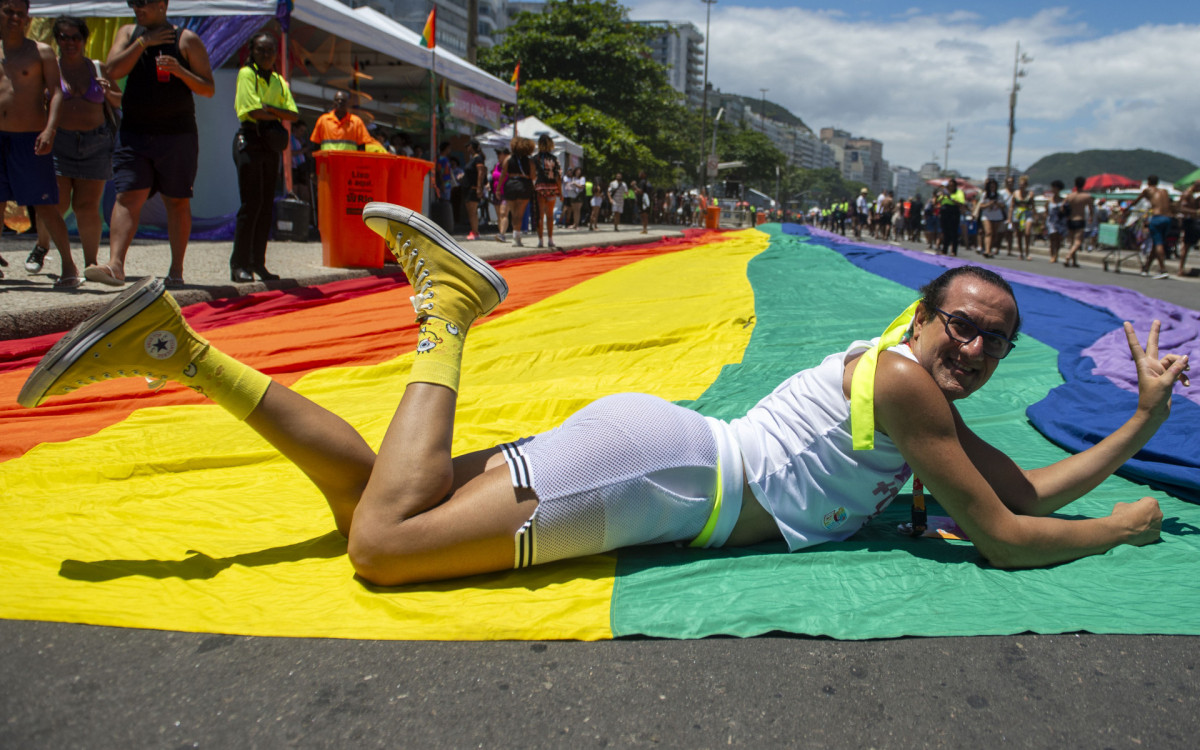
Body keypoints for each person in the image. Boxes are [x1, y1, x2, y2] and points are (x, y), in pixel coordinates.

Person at [19, 204, 1190, 587]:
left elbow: (1025, 485)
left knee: (378, 498)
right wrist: (1128, 522)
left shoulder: (908, 382)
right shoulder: (899, 382)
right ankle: (450, 315)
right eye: (966, 327)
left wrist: (1137, 427)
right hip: (662, 479)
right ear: (924, 318)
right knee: (382, 546)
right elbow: (1004, 538)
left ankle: (183, 352)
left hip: (659, 458)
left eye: (997, 342)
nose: (979, 352)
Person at [84, 0, 214, 288]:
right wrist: (143, 42)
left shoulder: (186, 39)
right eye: (133, 2)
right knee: (128, 196)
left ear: (163, 4)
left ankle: (176, 270)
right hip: (134, 132)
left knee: (177, 201)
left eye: (144, 3)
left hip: (176, 134)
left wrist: (180, 71)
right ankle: (116, 265)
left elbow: (208, 88)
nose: (138, 8)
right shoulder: (129, 33)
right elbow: (113, 70)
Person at [25, 15, 120, 289]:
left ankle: (91, 264)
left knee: (87, 207)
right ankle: (42, 246)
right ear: (56, 40)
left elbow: (120, 102)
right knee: (56, 204)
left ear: (84, 39)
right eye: (63, 37)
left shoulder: (98, 68)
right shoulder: (49, 68)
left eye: (75, 37)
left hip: (95, 142)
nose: (69, 42)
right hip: (59, 143)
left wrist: (108, 93)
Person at [0, 0, 72, 286]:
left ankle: (69, 265)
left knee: (45, 205)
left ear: (28, 18)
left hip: (30, 138)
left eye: (21, 13)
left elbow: (56, 92)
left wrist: (50, 129)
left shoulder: (40, 52)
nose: (15, 17)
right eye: (9, 11)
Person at [229, 32, 298, 283]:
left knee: (266, 206)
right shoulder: (247, 74)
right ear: (252, 52)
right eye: (261, 50)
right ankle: (239, 264)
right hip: (250, 141)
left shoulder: (279, 80)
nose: (266, 55)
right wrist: (273, 111)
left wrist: (269, 110)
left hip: (270, 145)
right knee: (251, 204)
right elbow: (252, 111)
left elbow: (293, 113)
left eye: (270, 51)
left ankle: (258, 262)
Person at [1131, 175, 1174, 279]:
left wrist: (1127, 210)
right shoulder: (1165, 191)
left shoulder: (1148, 190)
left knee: (1158, 244)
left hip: (1157, 218)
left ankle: (1163, 269)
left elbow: (1136, 202)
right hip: (1168, 218)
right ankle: (1146, 268)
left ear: (1149, 182)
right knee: (1156, 243)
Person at [309, 90, 380, 152]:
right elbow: (316, 145)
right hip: (328, 163)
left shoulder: (356, 122)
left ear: (347, 104)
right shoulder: (323, 120)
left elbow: (361, 147)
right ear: (333, 103)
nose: (340, 102)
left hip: (349, 164)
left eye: (343, 101)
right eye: (337, 100)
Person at [502, 136, 534, 247]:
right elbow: (533, 176)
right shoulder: (529, 161)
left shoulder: (508, 159)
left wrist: (498, 189)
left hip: (510, 185)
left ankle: (515, 235)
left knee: (513, 213)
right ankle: (517, 237)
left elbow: (503, 175)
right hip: (523, 185)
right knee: (519, 214)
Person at [531, 134, 561, 249]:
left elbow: (533, 175)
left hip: (540, 188)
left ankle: (540, 240)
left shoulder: (535, 159)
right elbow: (558, 176)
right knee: (550, 215)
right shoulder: (554, 159)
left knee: (539, 215)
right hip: (552, 188)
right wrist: (560, 192)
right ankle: (550, 239)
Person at [1062, 175, 1094, 269]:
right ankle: (1068, 256)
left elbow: (1062, 207)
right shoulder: (1086, 196)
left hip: (1070, 220)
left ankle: (1074, 261)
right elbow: (1091, 209)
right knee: (1078, 242)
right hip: (1080, 220)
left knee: (1072, 242)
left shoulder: (1070, 196)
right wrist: (1091, 217)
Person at [460, 140, 486, 241]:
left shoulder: (478, 159)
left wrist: (479, 187)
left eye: (468, 146)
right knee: (471, 211)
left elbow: (481, 173)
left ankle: (475, 232)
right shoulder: (473, 159)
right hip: (468, 188)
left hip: (473, 188)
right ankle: (474, 230)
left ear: (472, 146)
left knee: (472, 211)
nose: (467, 148)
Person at [976, 178, 1006, 259]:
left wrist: (997, 203)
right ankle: (987, 251)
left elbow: (1003, 206)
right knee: (988, 232)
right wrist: (989, 204)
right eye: (991, 186)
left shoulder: (999, 196)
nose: (993, 187)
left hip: (997, 216)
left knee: (994, 234)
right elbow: (981, 205)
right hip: (986, 216)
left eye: (994, 186)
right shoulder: (985, 195)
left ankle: (990, 248)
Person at [1010, 175, 1035, 261]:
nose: (1021, 186)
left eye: (1023, 184)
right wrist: (1009, 219)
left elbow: (1033, 206)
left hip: (1027, 213)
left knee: (1027, 233)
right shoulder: (1015, 193)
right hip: (1017, 214)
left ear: (1026, 185)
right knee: (1019, 234)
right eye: (1020, 184)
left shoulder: (1030, 194)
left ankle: (1027, 252)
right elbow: (1012, 206)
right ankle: (1021, 253)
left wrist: (1036, 217)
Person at [937, 180, 965, 256]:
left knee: (954, 232)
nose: (951, 187)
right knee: (945, 231)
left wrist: (950, 198)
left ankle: (954, 250)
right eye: (949, 185)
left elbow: (961, 203)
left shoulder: (959, 192)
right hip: (944, 211)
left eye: (952, 185)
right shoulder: (944, 192)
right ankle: (944, 249)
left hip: (954, 211)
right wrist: (942, 196)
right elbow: (938, 201)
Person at [1178, 180, 1198, 278]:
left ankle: (1181, 268)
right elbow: (1182, 208)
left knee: (1186, 246)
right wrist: (1196, 212)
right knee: (1185, 246)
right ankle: (1181, 269)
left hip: (1194, 221)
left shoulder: (1194, 195)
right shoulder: (1187, 194)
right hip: (1190, 222)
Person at [491, 146, 510, 242]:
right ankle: (501, 234)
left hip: (506, 193)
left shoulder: (510, 165)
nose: (498, 155)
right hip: (496, 193)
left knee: (503, 213)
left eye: (499, 153)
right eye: (497, 153)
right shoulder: (497, 165)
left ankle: (502, 234)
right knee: (499, 215)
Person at [1046, 180, 1067, 263]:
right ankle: (1052, 254)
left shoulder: (1063, 200)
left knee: (1058, 239)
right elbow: (1046, 212)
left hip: (1059, 221)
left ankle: (1056, 254)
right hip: (1051, 221)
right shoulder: (1049, 200)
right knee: (1052, 238)